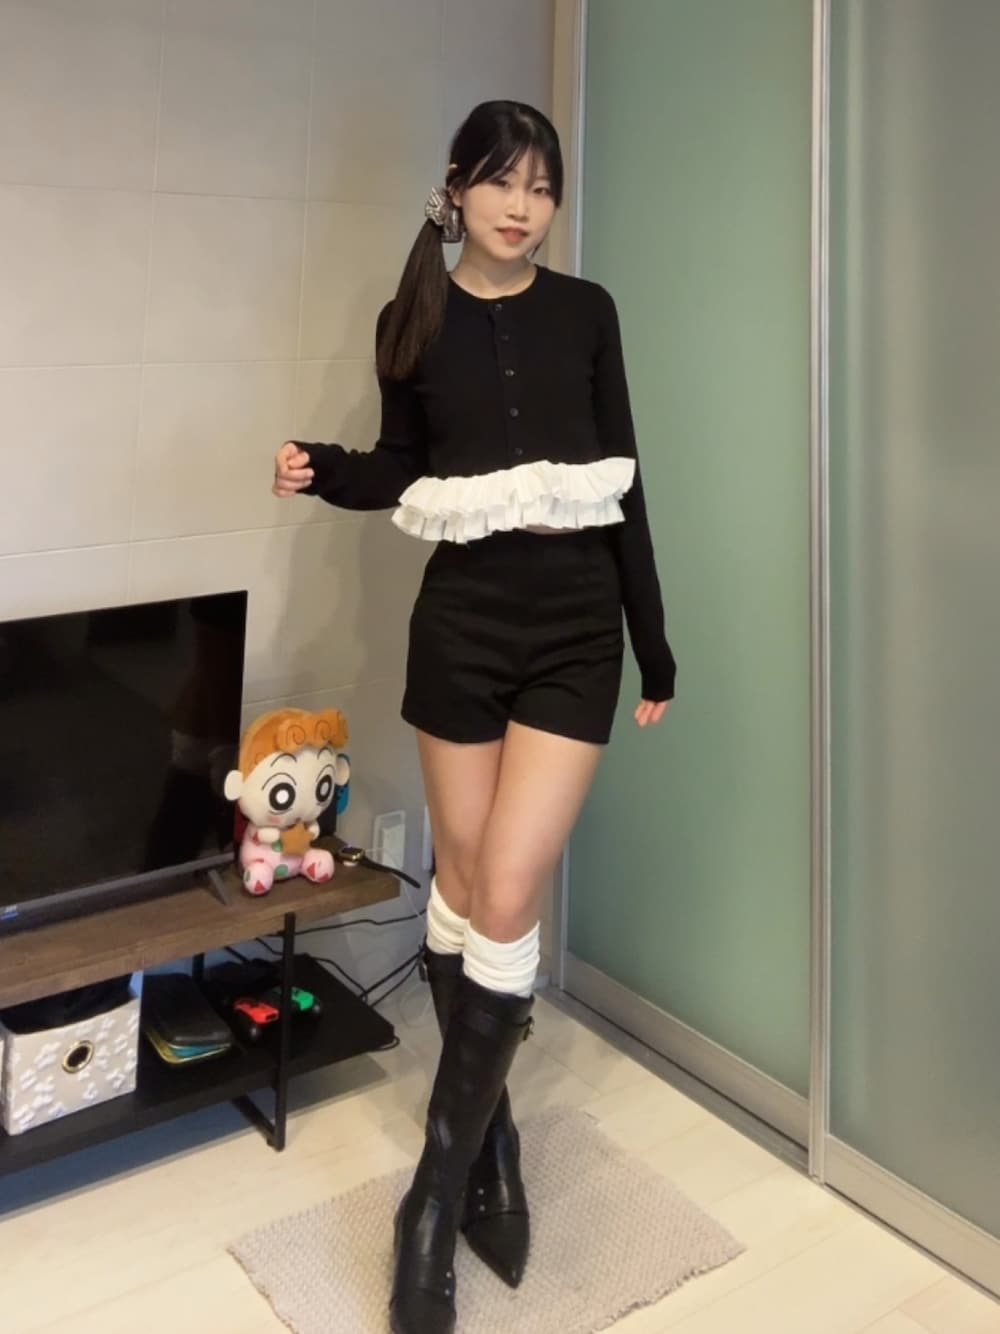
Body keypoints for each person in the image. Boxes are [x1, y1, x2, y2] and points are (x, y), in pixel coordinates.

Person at [273, 100, 675, 1334]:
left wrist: (651, 638)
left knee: (504, 891)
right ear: (457, 188)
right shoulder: (413, 318)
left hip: (572, 631)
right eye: (502, 181)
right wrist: (325, 467)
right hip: (460, 627)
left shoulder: (588, 311)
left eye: (542, 186)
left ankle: (430, 1198)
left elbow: (625, 480)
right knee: (458, 885)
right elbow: (404, 464)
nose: (523, 205)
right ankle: (491, 1141)